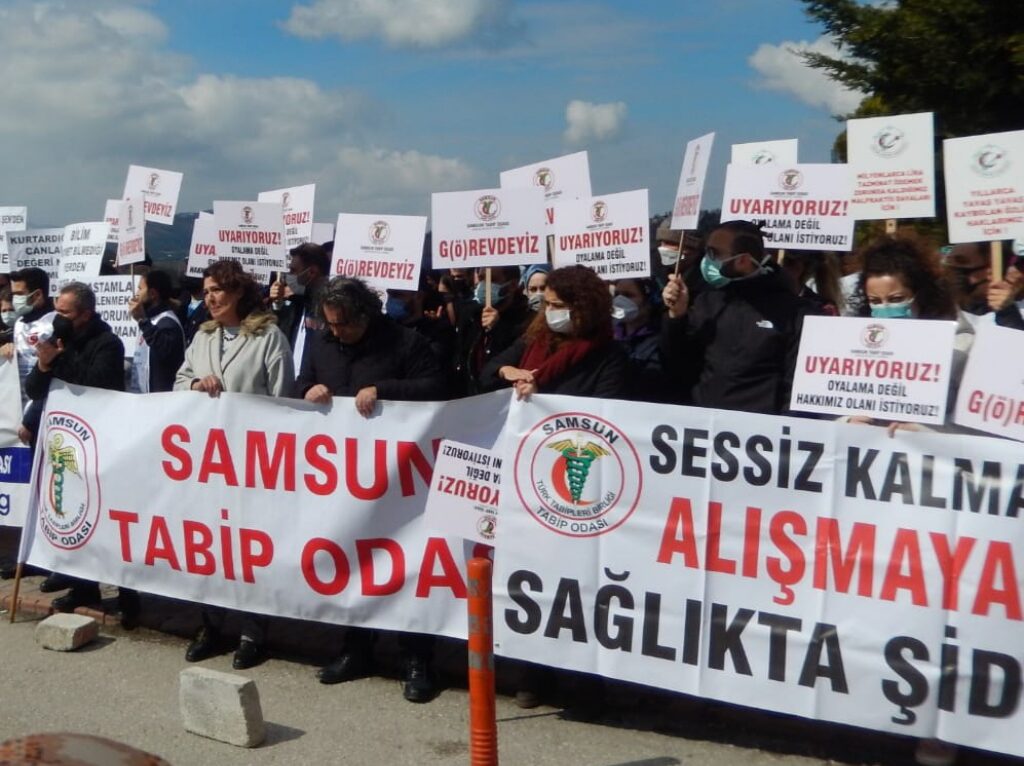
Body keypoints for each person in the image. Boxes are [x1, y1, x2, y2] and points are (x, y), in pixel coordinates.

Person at [297, 276, 446, 702]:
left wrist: (384, 391)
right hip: (344, 479)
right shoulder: (323, 342)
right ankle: (356, 647)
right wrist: (310, 389)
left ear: (366, 315)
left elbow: (436, 389)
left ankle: (417, 658)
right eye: (330, 325)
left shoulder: (405, 343)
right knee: (353, 561)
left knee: (406, 565)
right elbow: (299, 383)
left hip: (400, 480)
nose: (336, 332)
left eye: (344, 325)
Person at [175, 259, 294, 669]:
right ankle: (211, 622)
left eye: (217, 291)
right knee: (210, 544)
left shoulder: (269, 337)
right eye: (206, 291)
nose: (209, 298)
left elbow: (283, 400)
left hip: (251, 460)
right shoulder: (202, 337)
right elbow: (178, 381)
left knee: (248, 547)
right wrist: (194, 384)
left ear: (238, 292)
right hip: (207, 460)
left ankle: (252, 629)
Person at [23, 282, 133, 617]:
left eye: (66, 313)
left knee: (110, 521)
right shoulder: (59, 337)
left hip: (100, 442)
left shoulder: (108, 343)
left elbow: (93, 383)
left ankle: (129, 594)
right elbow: (34, 387)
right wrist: (44, 365)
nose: (59, 318)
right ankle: (83, 587)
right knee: (75, 512)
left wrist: (58, 361)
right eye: (57, 310)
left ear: (85, 314)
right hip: (66, 442)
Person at [660, 220, 819, 414]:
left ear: (742, 261)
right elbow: (677, 365)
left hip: (761, 433)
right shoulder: (707, 303)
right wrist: (676, 317)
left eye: (715, 253)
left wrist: (784, 432)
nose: (707, 259)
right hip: (703, 425)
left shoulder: (796, 312)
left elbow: (795, 385)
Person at [847, 235, 974, 433]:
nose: (886, 308)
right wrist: (846, 420)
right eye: (875, 301)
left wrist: (927, 431)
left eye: (896, 298)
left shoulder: (960, 345)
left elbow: (976, 423)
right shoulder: (854, 344)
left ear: (922, 294)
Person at [480, 265, 627, 399]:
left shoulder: (609, 355)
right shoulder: (536, 337)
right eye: (547, 304)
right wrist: (505, 370)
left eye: (558, 305)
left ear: (584, 309)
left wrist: (539, 396)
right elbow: (488, 373)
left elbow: (602, 408)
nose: (549, 310)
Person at [269, 243, 330, 377]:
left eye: (293, 271)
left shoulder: (330, 305)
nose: (288, 276)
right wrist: (276, 303)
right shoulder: (296, 299)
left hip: (315, 386)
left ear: (312, 272)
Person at [612, 278, 670, 401]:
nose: (619, 300)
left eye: (628, 295)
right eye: (617, 294)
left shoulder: (663, 339)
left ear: (649, 301)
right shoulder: (608, 335)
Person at [128, 270, 185, 393]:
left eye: (140, 289)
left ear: (153, 294)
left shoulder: (167, 323)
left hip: (161, 402)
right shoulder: (151, 320)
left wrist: (142, 320)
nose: (136, 294)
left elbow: (164, 350)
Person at [941, 242, 992, 316]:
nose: (951, 270)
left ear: (989, 271)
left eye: (961, 261)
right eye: (948, 262)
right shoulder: (939, 313)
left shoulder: (1008, 317)